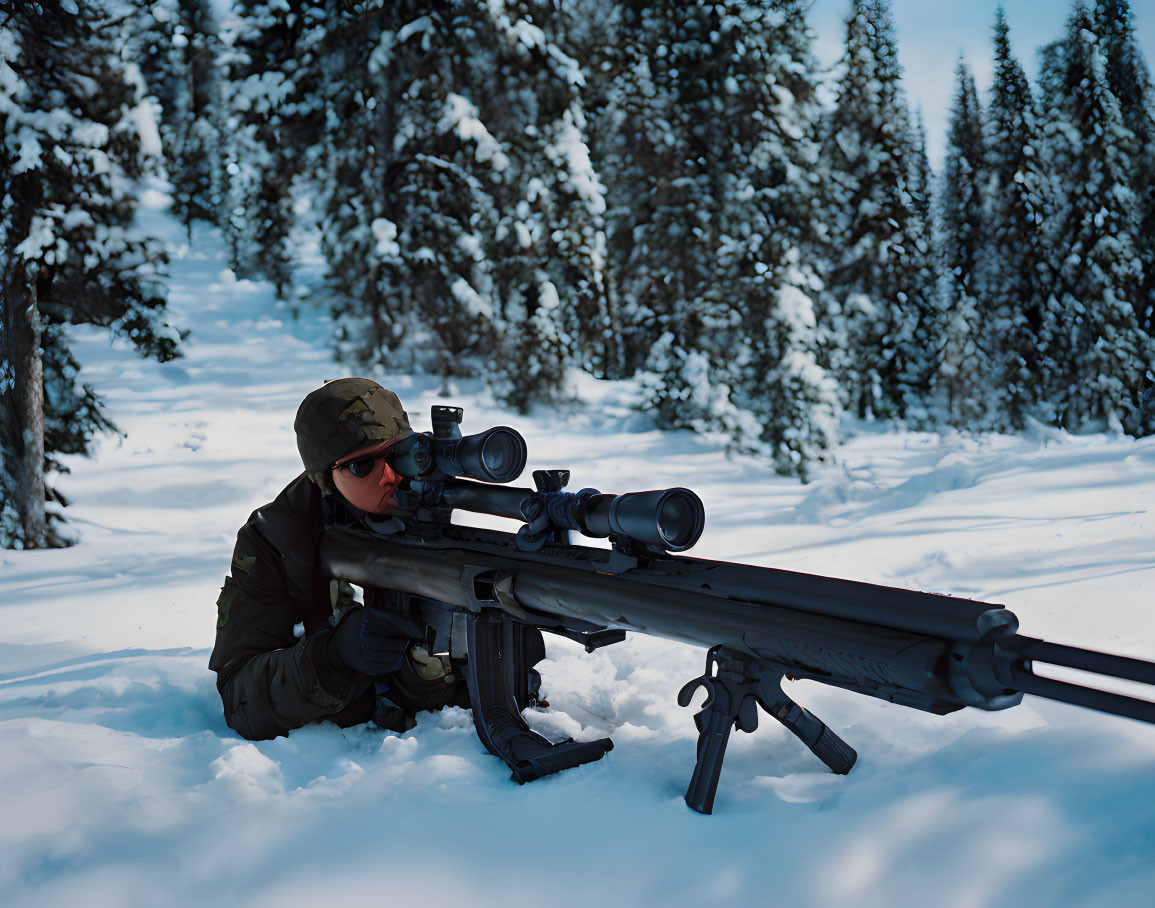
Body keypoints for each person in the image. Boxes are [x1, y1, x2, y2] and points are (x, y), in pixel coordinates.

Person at [208, 378, 468, 740]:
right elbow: (239, 697)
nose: (392, 475)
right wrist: (333, 657)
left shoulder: (438, 507)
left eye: (402, 454)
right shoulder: (276, 538)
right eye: (364, 466)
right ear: (325, 478)